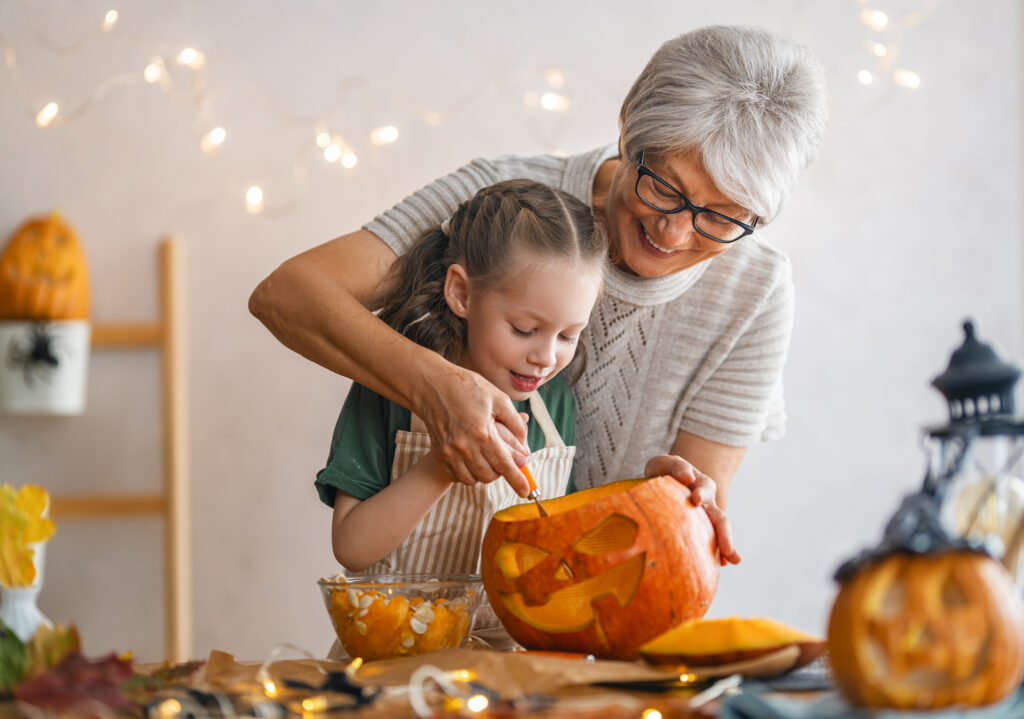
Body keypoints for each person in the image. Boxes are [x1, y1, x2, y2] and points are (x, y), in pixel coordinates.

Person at [251, 25, 828, 563]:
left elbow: (684, 546)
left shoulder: (757, 293)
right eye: (666, 188)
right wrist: (436, 390)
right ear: (630, 133)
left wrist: (671, 496)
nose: (673, 233)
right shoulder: (505, 206)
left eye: (721, 218)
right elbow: (289, 295)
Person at [315, 179, 605, 647]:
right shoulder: (389, 392)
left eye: (568, 336)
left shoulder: (555, 406)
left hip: (510, 668)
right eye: (525, 328)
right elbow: (352, 550)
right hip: (395, 661)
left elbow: (561, 545)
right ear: (463, 294)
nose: (546, 357)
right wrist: (442, 463)